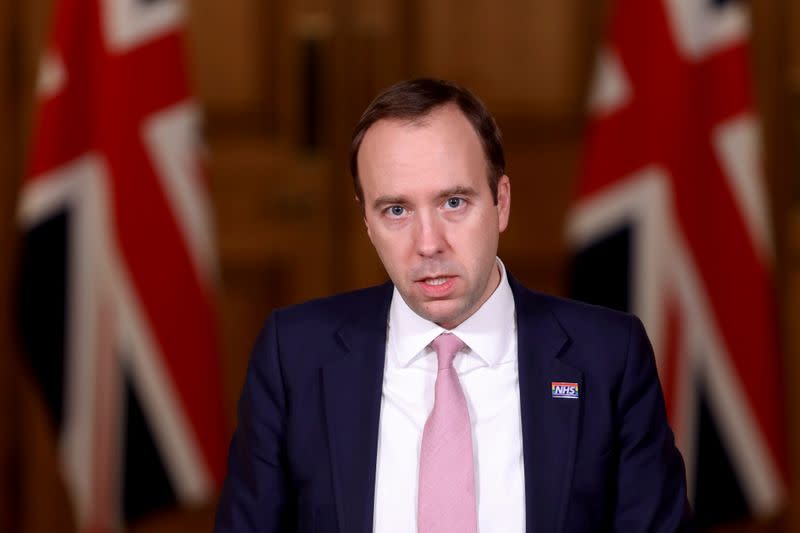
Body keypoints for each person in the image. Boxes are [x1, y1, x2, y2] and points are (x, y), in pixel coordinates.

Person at [214, 78, 692, 532]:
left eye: (454, 203)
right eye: (396, 210)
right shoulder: (293, 356)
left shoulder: (608, 357)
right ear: (366, 221)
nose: (428, 243)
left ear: (500, 202)